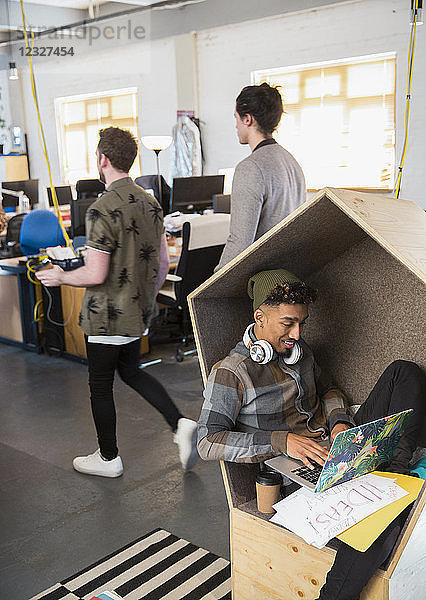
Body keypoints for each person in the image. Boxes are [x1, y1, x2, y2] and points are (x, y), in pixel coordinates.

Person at [197, 268, 425, 600]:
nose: (297, 333)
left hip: (338, 447)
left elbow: (330, 389)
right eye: (287, 323)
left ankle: (394, 469)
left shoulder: (301, 354)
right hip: (296, 471)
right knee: (381, 515)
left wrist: (338, 423)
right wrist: (282, 441)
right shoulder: (231, 373)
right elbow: (207, 442)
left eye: (302, 323)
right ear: (259, 317)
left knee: (403, 372)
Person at [36, 126, 198, 477]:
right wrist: (148, 298)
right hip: (137, 310)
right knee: (130, 371)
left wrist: (60, 276)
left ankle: (108, 458)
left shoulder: (101, 208)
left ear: (103, 159)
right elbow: (163, 264)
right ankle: (180, 423)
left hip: (107, 316)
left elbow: (94, 273)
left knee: (99, 387)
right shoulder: (151, 202)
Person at [216, 84, 306, 270]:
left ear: (247, 119)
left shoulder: (250, 168)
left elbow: (240, 241)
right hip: (290, 274)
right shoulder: (292, 162)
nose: (235, 125)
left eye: (236, 118)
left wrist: (213, 283)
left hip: (262, 278)